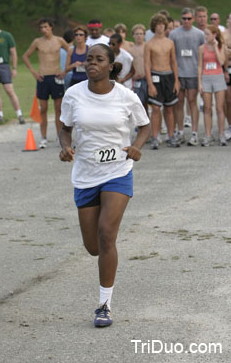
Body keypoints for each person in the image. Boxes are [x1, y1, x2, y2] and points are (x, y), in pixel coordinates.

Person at [59, 43, 150, 327]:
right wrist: (65, 147)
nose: (92, 64)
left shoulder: (126, 96)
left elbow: (144, 125)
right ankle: (103, 265)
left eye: (99, 60)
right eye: (89, 59)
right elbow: (64, 127)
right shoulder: (73, 94)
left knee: (106, 233)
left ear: (111, 65)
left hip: (117, 171)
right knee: (93, 247)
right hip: (86, 174)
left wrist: (136, 146)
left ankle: (104, 305)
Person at [22, 18, 69, 148]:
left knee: (58, 108)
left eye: (46, 27)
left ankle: (60, 136)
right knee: (43, 108)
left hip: (56, 75)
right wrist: (33, 72)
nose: (44, 30)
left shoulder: (59, 40)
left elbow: (71, 51)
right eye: (41, 27)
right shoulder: (37, 42)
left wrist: (65, 69)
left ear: (51, 27)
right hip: (43, 77)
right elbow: (25, 56)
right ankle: (43, 137)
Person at [144, 13, 180, 149]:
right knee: (155, 109)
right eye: (157, 25)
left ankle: (170, 136)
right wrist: (150, 84)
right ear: (154, 26)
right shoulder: (149, 44)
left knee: (170, 108)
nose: (160, 27)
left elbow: (173, 62)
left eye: (162, 24)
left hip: (168, 76)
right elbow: (147, 64)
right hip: (155, 75)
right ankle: (155, 137)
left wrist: (176, 80)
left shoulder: (170, 43)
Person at [170, 7, 205, 145]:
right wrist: (174, 76)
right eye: (184, 18)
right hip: (179, 73)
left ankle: (194, 133)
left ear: (193, 19)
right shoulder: (174, 34)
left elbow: (203, 54)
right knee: (179, 103)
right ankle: (180, 132)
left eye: (189, 18)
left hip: (193, 73)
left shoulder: (200, 34)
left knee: (192, 101)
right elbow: (171, 55)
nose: (186, 21)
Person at [198, 25, 227, 146]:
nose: (206, 37)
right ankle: (208, 135)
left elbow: (222, 62)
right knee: (207, 108)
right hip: (206, 78)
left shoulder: (221, 46)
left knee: (220, 109)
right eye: (205, 34)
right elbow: (200, 66)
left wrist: (215, 47)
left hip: (218, 77)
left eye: (208, 34)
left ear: (214, 35)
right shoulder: (201, 48)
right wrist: (199, 82)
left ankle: (221, 134)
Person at [130, 24, 148, 110]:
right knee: (139, 104)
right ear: (133, 35)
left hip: (148, 78)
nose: (139, 36)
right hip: (137, 79)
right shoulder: (131, 49)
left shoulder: (148, 47)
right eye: (137, 34)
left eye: (141, 34)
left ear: (144, 35)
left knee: (149, 104)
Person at [223, 13, 231, 141]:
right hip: (227, 68)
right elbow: (223, 52)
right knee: (228, 100)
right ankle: (230, 125)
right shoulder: (223, 35)